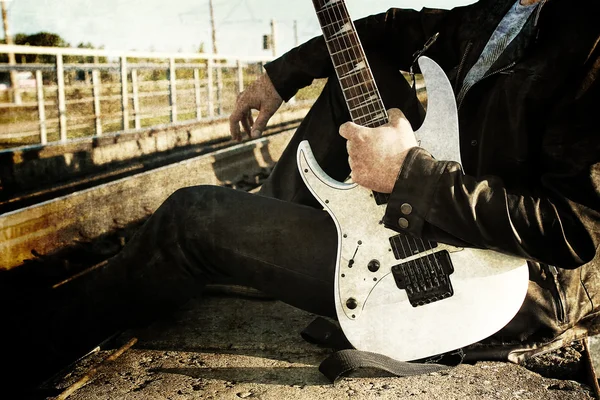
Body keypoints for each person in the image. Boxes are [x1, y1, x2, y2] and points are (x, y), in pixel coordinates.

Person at [4, 0, 600, 390]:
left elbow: (577, 230)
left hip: (498, 285)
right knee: (355, 82)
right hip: (432, 222)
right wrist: (279, 75)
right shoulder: (495, 15)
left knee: (191, 218)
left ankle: (30, 342)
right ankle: (256, 239)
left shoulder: (591, 38)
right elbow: (387, 30)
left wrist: (409, 174)